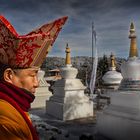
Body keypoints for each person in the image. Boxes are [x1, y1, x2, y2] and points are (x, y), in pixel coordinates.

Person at [0, 15, 67, 140]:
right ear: (9, 75)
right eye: (32, 75)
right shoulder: (5, 122)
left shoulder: (14, 108)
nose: (37, 83)